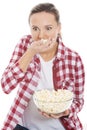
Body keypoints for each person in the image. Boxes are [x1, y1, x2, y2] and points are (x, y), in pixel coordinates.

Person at [1, 2, 85, 130]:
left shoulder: (73, 59)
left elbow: (79, 101)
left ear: (59, 28)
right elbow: (6, 86)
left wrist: (65, 112)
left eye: (48, 28)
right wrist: (30, 52)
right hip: (24, 127)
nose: (41, 36)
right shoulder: (25, 45)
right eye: (35, 28)